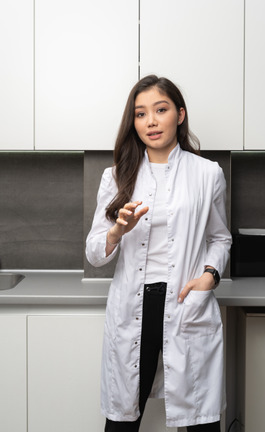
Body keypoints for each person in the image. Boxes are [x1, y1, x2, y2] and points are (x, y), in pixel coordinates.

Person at [86, 75, 232, 432]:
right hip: (134, 307)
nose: (150, 121)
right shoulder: (118, 176)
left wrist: (209, 277)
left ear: (179, 115)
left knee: (200, 420)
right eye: (140, 114)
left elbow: (220, 237)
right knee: (122, 420)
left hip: (186, 302)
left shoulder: (207, 174)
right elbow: (93, 252)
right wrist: (117, 231)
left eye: (160, 110)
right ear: (132, 122)